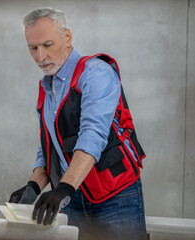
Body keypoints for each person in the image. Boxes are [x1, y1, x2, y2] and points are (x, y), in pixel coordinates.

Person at [8, 7, 147, 240]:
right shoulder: (47, 87)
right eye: (33, 48)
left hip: (115, 196)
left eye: (47, 44)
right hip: (72, 195)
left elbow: (92, 135)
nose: (40, 56)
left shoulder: (95, 73)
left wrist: (62, 189)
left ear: (68, 37)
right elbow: (50, 145)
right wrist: (33, 185)